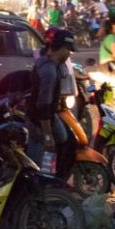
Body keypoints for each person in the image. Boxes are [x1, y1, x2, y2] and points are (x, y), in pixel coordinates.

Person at [28, 29, 77, 173]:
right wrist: (48, 135)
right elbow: (43, 106)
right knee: (33, 167)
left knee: (65, 140)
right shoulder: (49, 71)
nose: (69, 54)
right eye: (69, 50)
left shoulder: (48, 62)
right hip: (38, 120)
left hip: (47, 115)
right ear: (62, 48)